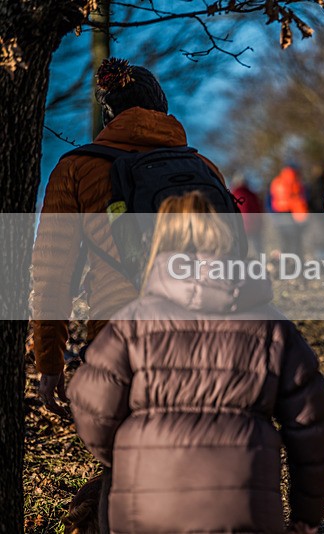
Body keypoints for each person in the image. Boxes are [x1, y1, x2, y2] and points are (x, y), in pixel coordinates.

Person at [68, 191, 324, 533]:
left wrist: (125, 458)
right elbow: (312, 427)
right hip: (244, 506)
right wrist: (306, 517)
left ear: (160, 242)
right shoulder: (272, 327)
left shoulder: (132, 323)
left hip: (148, 507)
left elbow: (92, 406)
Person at [30, 57, 229, 418]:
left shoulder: (77, 168)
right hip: (203, 334)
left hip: (120, 337)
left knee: (128, 457)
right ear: (162, 109)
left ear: (107, 113)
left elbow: (52, 274)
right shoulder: (203, 168)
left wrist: (50, 361)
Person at [270, 164, 309, 259]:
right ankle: (297, 264)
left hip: (279, 214)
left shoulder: (276, 182)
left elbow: (270, 199)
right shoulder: (297, 182)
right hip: (294, 214)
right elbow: (303, 198)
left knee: (284, 241)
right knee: (296, 241)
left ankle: (285, 264)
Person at [231, 174, 264, 256]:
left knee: (240, 249)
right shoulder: (252, 195)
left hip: (240, 227)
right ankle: (259, 262)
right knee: (257, 248)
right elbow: (259, 209)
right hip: (254, 226)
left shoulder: (233, 194)